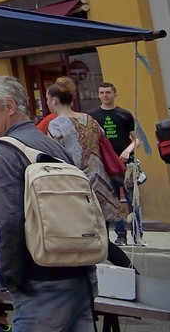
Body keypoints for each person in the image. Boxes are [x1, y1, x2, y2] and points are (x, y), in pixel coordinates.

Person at [0, 75, 97, 331]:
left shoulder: (4, 150)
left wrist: (11, 279)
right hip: (81, 275)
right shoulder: (50, 144)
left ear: (9, 107)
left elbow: (8, 221)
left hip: (41, 282)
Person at [40, 78, 126, 237]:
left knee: (87, 238)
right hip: (101, 183)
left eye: (47, 99)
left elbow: (55, 157)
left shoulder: (56, 125)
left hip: (77, 185)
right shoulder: (89, 118)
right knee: (103, 235)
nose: (47, 102)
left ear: (54, 100)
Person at [92, 81, 138, 246]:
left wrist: (128, 151)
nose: (105, 95)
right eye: (102, 93)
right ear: (98, 95)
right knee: (114, 201)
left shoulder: (125, 114)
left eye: (108, 92)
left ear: (115, 94)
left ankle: (137, 235)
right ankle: (120, 235)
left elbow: (137, 139)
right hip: (106, 165)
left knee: (133, 200)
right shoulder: (92, 116)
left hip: (127, 165)